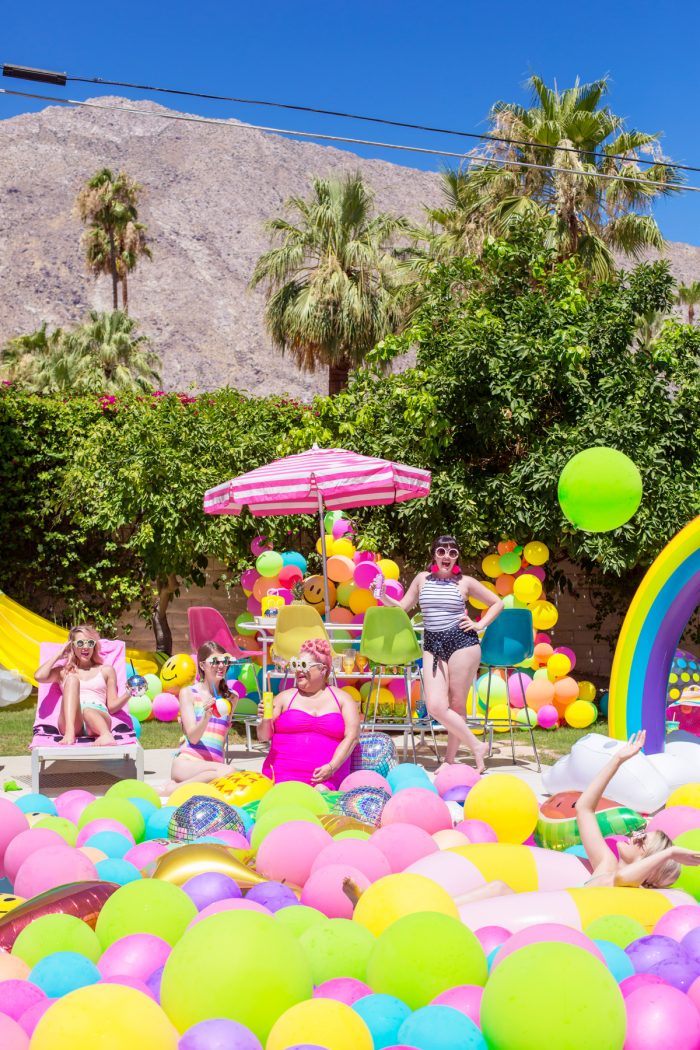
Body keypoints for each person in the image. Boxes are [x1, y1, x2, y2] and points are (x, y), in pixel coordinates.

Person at [377, 535, 503, 773]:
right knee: (435, 705)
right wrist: (382, 596)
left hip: (462, 642)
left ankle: (450, 760)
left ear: (457, 557)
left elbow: (497, 603)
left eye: (452, 553)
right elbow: (402, 608)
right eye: (442, 551)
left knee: (457, 704)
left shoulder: (465, 582)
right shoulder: (422, 579)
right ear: (433, 554)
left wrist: (480, 624)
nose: (446, 556)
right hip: (433, 643)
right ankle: (477, 745)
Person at [575, 730, 700, 887]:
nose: (634, 834)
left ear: (650, 866)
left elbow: (622, 879)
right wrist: (618, 759)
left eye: (642, 839)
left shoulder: (631, 889)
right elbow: (583, 809)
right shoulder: (606, 865)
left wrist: (669, 854)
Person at [258, 638, 360, 790]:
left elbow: (352, 737)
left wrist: (332, 767)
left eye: (304, 665)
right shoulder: (285, 697)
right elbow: (263, 737)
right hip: (283, 775)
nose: (298, 670)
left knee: (321, 792)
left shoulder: (343, 699)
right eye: (296, 664)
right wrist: (265, 720)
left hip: (327, 777)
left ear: (323, 669)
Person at [35, 625, 129, 746]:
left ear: (94, 645)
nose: (85, 647)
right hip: (72, 720)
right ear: (72, 646)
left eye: (89, 643)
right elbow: (39, 676)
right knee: (72, 680)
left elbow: (112, 707)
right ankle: (70, 733)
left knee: (88, 711)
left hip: (97, 717)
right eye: (80, 643)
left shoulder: (106, 670)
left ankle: (106, 735)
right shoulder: (64, 672)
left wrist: (129, 693)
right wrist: (58, 654)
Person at [165, 641, 239, 791]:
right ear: (202, 665)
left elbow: (222, 739)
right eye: (215, 662)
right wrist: (206, 717)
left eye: (224, 661)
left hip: (215, 767)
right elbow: (193, 738)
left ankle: (175, 788)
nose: (221, 666)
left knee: (225, 773)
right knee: (230, 772)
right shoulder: (189, 693)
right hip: (188, 763)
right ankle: (168, 791)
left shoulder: (232, 697)